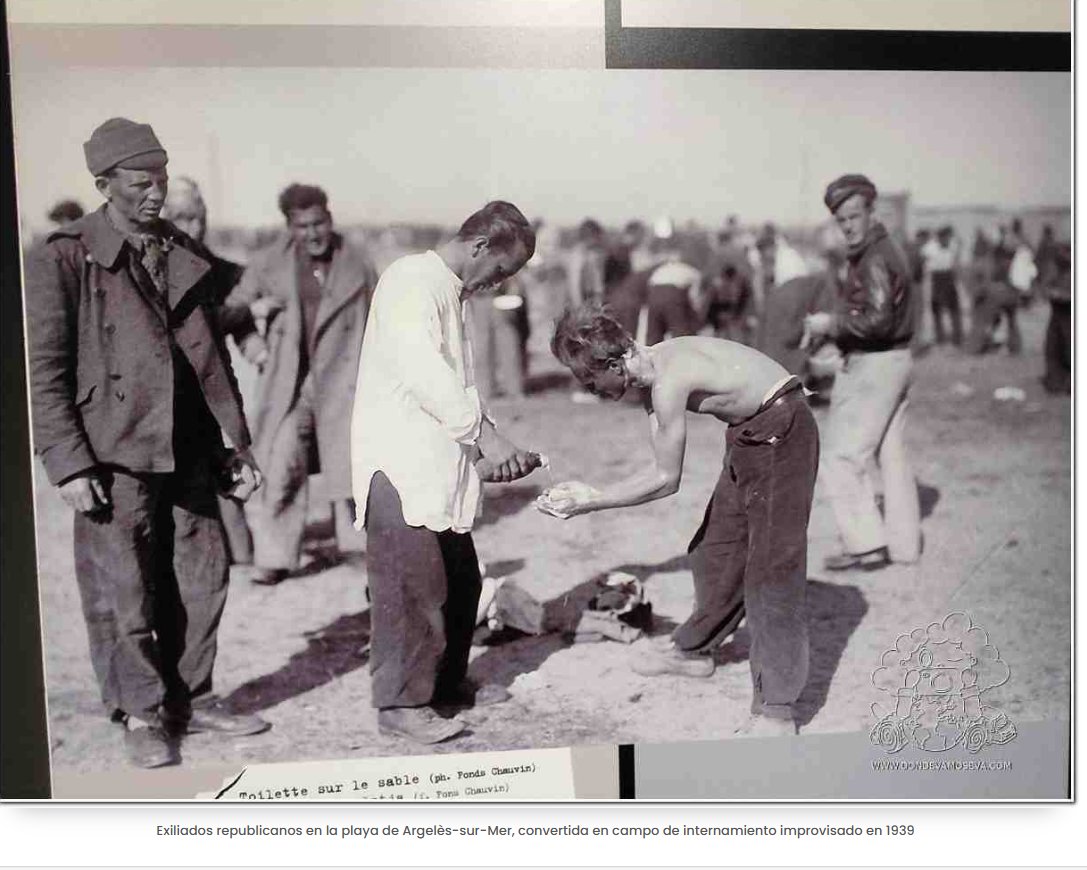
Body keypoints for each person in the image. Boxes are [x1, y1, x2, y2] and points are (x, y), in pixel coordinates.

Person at [25, 117, 270, 768]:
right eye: (141, 181)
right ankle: (140, 711)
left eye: (160, 178)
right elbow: (41, 371)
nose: (156, 192)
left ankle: (194, 694)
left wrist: (231, 446)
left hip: (187, 447)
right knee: (124, 588)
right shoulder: (62, 257)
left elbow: (210, 357)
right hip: (110, 454)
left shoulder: (186, 254)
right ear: (105, 185)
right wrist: (68, 462)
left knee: (202, 575)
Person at [544, 306, 819, 735]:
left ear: (615, 363)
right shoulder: (650, 368)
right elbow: (659, 463)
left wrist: (591, 501)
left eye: (590, 380)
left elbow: (665, 480)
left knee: (770, 571)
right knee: (716, 551)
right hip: (750, 434)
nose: (591, 391)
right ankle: (694, 651)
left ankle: (777, 710)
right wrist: (591, 493)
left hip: (782, 429)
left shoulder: (669, 380)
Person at [350, 200, 542, 745]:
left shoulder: (452, 293)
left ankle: (448, 682)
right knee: (414, 587)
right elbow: (426, 374)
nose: (498, 282)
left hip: (440, 465)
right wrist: (484, 436)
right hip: (400, 467)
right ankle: (400, 703)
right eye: (501, 271)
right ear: (480, 245)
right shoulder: (412, 280)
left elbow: (460, 387)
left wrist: (490, 446)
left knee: (461, 582)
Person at [228, 184, 378, 586]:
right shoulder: (266, 264)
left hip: (345, 382)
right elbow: (233, 312)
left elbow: (384, 318)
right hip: (289, 384)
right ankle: (275, 555)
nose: (313, 234)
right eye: (303, 226)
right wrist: (255, 348)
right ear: (289, 227)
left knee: (349, 466)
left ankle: (357, 547)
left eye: (320, 223)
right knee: (281, 466)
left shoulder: (358, 262)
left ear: (330, 218)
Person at [804, 174, 921, 571]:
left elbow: (877, 321)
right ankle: (905, 546)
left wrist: (829, 325)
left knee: (840, 456)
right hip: (897, 359)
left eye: (855, 215)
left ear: (872, 213)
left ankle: (865, 545)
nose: (849, 225)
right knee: (892, 455)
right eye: (842, 220)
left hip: (875, 363)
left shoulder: (873, 257)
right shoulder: (886, 249)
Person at [161, 176, 255, 565]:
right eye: (181, 218)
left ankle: (241, 554)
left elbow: (236, 317)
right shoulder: (154, 266)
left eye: (197, 217)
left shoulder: (221, 269)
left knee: (223, 463)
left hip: (210, 385)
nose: (191, 227)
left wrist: (253, 336)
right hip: (166, 388)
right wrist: (246, 313)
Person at [922, 226, 963, 347]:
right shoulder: (930, 248)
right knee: (936, 310)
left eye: (948, 237)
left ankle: (957, 338)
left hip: (949, 277)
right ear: (938, 237)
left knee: (954, 309)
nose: (946, 240)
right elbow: (923, 260)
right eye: (943, 237)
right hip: (936, 278)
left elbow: (957, 255)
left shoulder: (953, 245)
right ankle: (940, 338)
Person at [1040, 242, 1072, 395]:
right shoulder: (1056, 269)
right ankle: (1056, 382)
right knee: (1053, 349)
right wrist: (1053, 293)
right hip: (1057, 316)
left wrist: (1064, 296)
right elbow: (1045, 287)